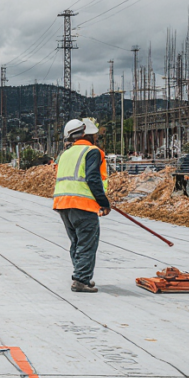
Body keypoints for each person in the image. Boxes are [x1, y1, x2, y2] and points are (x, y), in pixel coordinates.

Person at [53, 118, 111, 293]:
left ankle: (81, 275)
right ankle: (80, 280)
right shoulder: (92, 151)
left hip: (63, 204)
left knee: (77, 242)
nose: (96, 139)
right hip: (82, 205)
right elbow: (93, 179)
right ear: (86, 134)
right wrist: (104, 202)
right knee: (87, 243)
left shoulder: (65, 154)